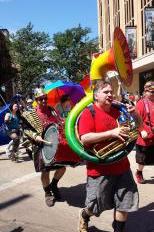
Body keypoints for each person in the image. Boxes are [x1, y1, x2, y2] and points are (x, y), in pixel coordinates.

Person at [78, 80, 139, 232]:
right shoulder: (88, 112)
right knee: (95, 206)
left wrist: (135, 114)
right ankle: (85, 215)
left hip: (122, 166)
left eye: (111, 92)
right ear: (96, 95)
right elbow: (85, 138)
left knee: (125, 203)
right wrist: (112, 133)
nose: (110, 94)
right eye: (106, 92)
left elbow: (138, 126)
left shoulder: (119, 111)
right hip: (100, 170)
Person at [20, 88, 80, 207]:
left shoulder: (52, 110)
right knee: (45, 171)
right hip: (40, 145)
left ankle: (54, 184)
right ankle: (47, 193)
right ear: (36, 100)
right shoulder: (29, 114)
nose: (43, 101)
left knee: (62, 167)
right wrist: (36, 137)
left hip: (54, 143)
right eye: (40, 99)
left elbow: (58, 121)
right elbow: (26, 129)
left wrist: (63, 123)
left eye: (45, 98)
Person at [135, 80, 154, 184]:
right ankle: (139, 172)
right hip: (145, 138)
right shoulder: (141, 103)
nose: (152, 94)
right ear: (145, 92)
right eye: (151, 91)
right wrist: (141, 130)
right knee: (142, 159)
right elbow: (136, 119)